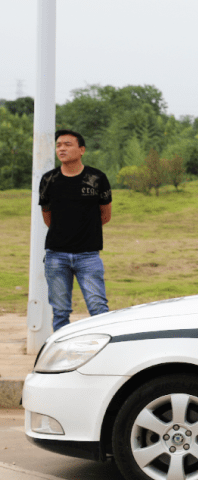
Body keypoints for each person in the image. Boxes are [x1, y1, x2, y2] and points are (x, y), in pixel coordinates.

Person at [38, 130, 113, 331]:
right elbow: (48, 216)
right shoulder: (48, 180)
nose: (61, 148)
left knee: (98, 308)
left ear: (81, 150)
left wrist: (85, 231)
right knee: (60, 311)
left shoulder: (97, 178)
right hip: (56, 256)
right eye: (58, 145)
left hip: (88, 255)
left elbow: (105, 215)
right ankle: (62, 356)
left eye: (67, 144)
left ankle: (105, 354)